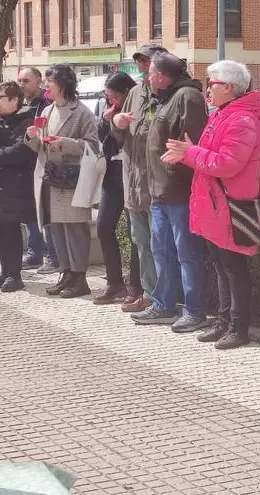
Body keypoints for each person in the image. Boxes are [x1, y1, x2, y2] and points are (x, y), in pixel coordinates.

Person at [163, 60, 260, 350]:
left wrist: (190, 153)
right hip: (216, 205)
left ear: (229, 87)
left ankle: (238, 326)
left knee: (234, 268)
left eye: (213, 83)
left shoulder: (242, 120)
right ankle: (224, 321)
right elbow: (209, 156)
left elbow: (226, 164)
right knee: (222, 266)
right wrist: (189, 153)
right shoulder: (224, 115)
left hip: (231, 207)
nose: (208, 88)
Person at [125, 52, 209, 332]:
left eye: (150, 73)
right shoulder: (165, 98)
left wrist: (178, 171)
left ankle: (195, 309)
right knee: (161, 251)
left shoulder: (187, 97)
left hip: (179, 192)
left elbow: (192, 145)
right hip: (159, 193)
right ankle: (164, 304)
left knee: (187, 253)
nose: (146, 77)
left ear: (160, 75)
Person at [26, 64, 100, 299]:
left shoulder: (82, 112)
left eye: (50, 81)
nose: (46, 86)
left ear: (64, 84)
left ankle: (79, 277)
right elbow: (40, 147)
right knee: (57, 228)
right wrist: (30, 138)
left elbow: (93, 146)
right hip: (52, 177)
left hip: (72, 179)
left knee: (75, 229)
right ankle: (66, 272)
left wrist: (65, 143)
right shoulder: (47, 112)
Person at [111, 43, 167, 312]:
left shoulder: (171, 94)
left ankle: (164, 298)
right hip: (133, 183)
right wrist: (116, 124)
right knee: (142, 243)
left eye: (148, 62)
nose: (143, 67)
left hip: (158, 186)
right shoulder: (134, 92)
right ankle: (149, 293)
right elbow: (123, 138)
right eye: (140, 62)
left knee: (161, 245)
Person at [0, 81, 38, 292]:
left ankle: (15, 275)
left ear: (14, 100)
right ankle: (5, 272)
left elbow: (19, 152)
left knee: (11, 229)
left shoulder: (26, 121)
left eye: (1, 98)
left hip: (15, 184)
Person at [95, 72, 143, 305]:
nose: (110, 99)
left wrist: (120, 123)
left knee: (135, 233)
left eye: (114, 95)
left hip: (132, 175)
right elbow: (101, 139)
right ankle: (114, 283)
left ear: (126, 92)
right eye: (107, 95)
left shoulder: (137, 105)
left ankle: (136, 285)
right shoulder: (108, 109)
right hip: (112, 176)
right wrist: (106, 121)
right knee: (104, 227)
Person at [18, 66, 58, 274]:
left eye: (26, 81)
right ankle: (34, 253)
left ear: (38, 82)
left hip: (43, 164)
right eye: (20, 81)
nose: (22, 85)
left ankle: (53, 256)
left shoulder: (47, 105)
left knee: (47, 212)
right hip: (24, 165)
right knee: (30, 213)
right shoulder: (19, 105)